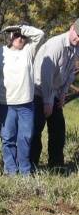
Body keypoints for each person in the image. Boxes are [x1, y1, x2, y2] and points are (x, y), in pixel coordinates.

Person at [0, 25, 44, 175]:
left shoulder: (29, 51)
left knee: (26, 137)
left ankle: (25, 170)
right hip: (4, 104)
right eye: (16, 35)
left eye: (22, 36)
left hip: (26, 104)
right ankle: (10, 170)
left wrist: (21, 28)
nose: (20, 38)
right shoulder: (0, 52)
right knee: (8, 138)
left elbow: (40, 34)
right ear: (10, 37)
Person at [30, 18, 79, 170]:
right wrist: (48, 101)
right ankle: (31, 165)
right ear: (72, 28)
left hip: (55, 93)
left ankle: (56, 165)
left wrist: (63, 93)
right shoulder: (55, 45)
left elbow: (70, 72)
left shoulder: (76, 48)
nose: (78, 39)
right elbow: (46, 75)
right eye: (77, 35)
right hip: (39, 92)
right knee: (35, 129)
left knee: (58, 129)